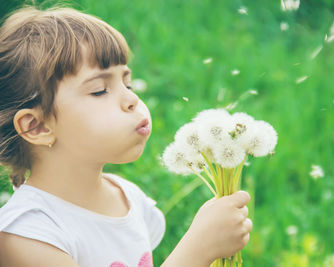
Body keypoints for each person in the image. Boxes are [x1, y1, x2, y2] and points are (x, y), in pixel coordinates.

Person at [0, 6, 253, 267]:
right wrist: (198, 249)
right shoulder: (28, 235)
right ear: (37, 127)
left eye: (127, 83)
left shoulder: (128, 198)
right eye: (100, 90)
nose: (132, 99)